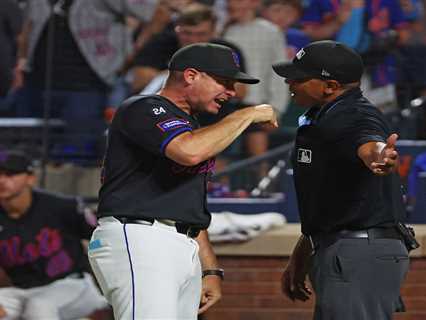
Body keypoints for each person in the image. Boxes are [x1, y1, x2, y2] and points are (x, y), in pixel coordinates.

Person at [87, 42, 278, 320]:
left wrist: (209, 269)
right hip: (140, 237)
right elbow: (188, 152)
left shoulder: (191, 127)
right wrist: (246, 114)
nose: (232, 92)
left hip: (176, 242)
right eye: (224, 82)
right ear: (190, 76)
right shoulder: (144, 107)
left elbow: (186, 205)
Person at [272, 40, 410, 320]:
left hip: (357, 250)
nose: (290, 81)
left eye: (299, 77)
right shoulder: (324, 115)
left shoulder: (354, 114)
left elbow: (369, 141)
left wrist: (379, 156)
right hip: (343, 247)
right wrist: (304, 252)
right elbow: (330, 201)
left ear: (330, 86)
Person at [14, 0, 157, 159]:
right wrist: (21, 61)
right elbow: (24, 25)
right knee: (26, 153)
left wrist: (136, 50)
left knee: (76, 154)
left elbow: (152, 11)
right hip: (36, 83)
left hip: (86, 87)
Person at [0, 150, 108, 320]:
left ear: (30, 178)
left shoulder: (61, 207)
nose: (2, 181)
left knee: (39, 308)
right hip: (22, 291)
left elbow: (103, 238)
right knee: (34, 305)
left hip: (72, 285)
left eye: (10, 174)